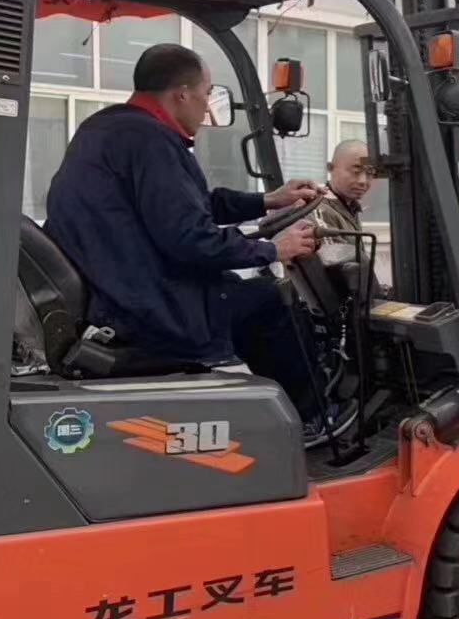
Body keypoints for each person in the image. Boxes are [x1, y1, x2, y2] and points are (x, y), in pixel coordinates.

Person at [45, 42, 322, 412]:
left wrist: (267, 200)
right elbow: (191, 240)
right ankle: (315, 419)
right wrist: (274, 249)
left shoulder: (107, 129)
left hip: (118, 290)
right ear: (183, 94)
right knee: (274, 300)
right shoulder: (151, 142)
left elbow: (187, 206)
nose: (207, 107)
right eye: (207, 94)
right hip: (147, 309)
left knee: (247, 293)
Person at [314, 138, 373, 266]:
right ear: (330, 168)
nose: (363, 181)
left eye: (370, 172)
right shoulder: (319, 209)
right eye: (356, 171)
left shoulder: (350, 207)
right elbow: (337, 267)